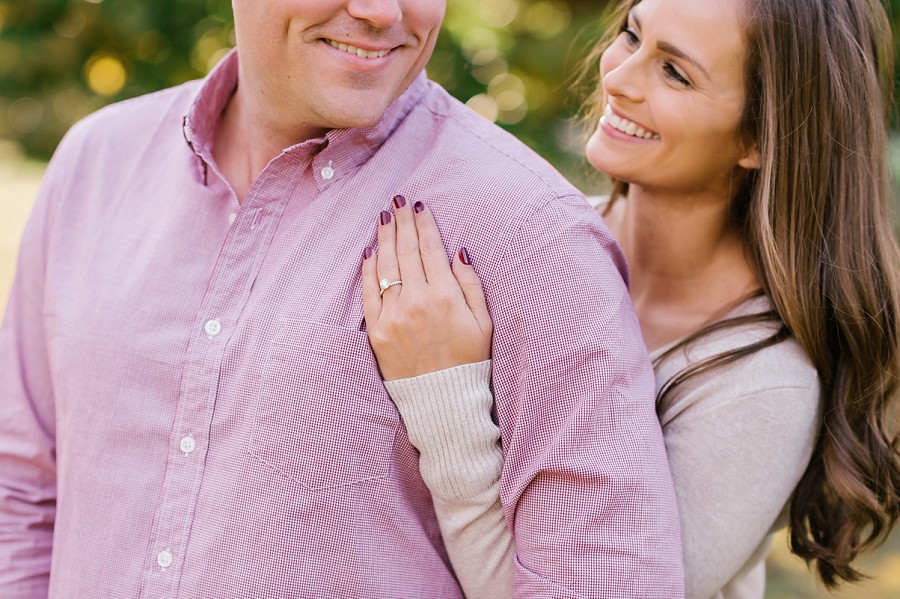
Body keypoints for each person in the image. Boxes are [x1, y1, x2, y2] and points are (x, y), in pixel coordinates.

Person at [0, 1, 686, 597]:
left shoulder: (532, 236)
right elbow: (21, 495)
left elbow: (604, 580)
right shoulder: (96, 162)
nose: (383, 13)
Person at [362, 0, 900, 597]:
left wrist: (444, 401)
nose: (616, 77)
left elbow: (585, 587)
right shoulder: (533, 246)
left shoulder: (762, 387)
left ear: (758, 135)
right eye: (632, 36)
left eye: (675, 72)